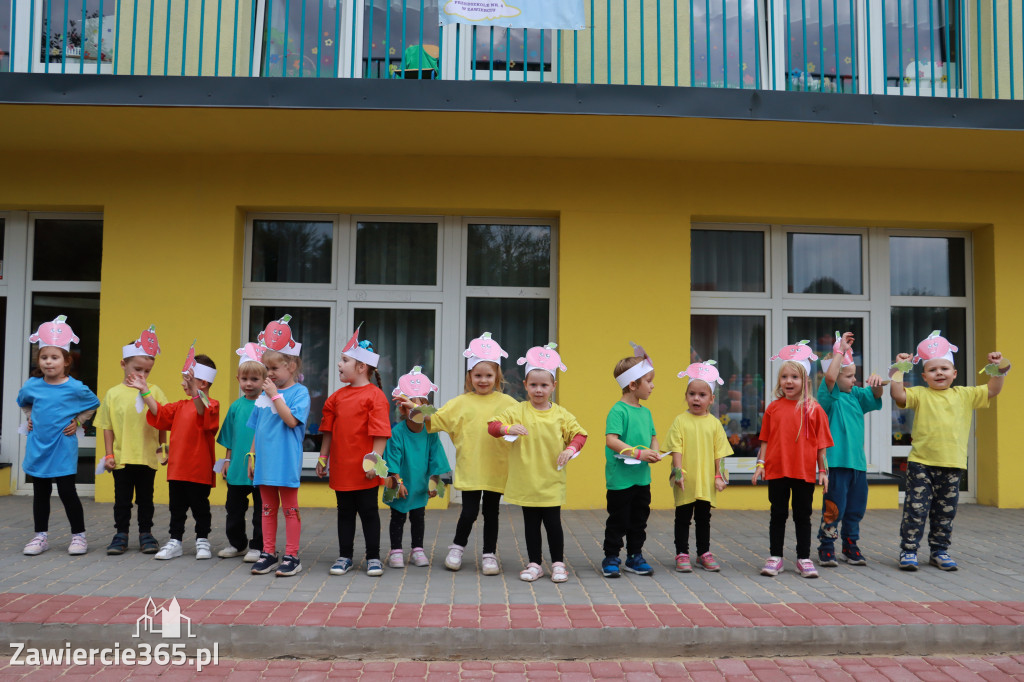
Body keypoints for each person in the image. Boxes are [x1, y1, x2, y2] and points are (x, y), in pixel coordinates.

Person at [890, 330, 1008, 571]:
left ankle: (939, 551)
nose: (939, 373)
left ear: (954, 374)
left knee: (945, 513)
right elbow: (898, 394)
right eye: (933, 370)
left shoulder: (965, 394)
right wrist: (899, 369)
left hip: (952, 465)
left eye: (944, 369)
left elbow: (993, 390)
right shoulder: (920, 394)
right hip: (921, 464)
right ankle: (908, 551)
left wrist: (998, 366)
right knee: (916, 510)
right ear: (924, 376)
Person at [489, 343, 587, 583]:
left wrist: (571, 449)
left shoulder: (561, 414)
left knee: (553, 524)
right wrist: (507, 428)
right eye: (533, 385)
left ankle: (558, 564)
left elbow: (580, 435)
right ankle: (534, 564)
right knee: (530, 525)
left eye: (544, 385)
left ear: (553, 386)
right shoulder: (518, 410)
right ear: (525, 386)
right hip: (526, 482)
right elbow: (492, 427)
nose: (539, 390)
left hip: (551, 480)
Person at [423, 332, 517, 575]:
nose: (483, 380)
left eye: (488, 375)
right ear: (469, 377)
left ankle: (489, 554)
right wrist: (413, 410)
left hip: (497, 468)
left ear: (497, 375)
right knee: (469, 511)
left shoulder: (509, 403)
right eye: (478, 375)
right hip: (471, 466)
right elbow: (433, 420)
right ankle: (457, 547)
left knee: (492, 512)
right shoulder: (460, 403)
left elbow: (530, 425)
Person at [18, 316, 100, 556]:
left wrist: (78, 421)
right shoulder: (32, 385)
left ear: (66, 361)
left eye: (54, 358)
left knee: (67, 492)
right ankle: (40, 536)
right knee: (40, 493)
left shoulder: (75, 387)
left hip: (62, 447)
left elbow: (93, 403)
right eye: (44, 357)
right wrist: (30, 416)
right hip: (38, 446)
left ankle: (79, 536)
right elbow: (23, 402)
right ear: (39, 360)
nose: (48, 362)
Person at [318, 326, 393, 578]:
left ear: (361, 367)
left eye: (345, 360)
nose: (339, 364)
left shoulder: (375, 397)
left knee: (369, 511)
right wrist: (322, 457)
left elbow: (380, 433)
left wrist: (374, 462)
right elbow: (327, 430)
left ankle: (373, 557)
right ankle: (345, 556)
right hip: (341, 467)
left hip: (365, 470)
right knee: (345, 512)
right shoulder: (336, 398)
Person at [752, 342, 832, 578]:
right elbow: (765, 440)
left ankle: (803, 558)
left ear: (805, 381)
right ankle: (775, 557)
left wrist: (823, 471)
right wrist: (760, 465)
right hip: (777, 471)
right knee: (777, 514)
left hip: (804, 473)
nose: (788, 381)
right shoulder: (773, 408)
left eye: (794, 377)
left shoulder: (814, 409)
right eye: (784, 376)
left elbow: (821, 446)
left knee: (802, 515)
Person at [138, 349, 220, 561]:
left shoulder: (211, 405)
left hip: (199, 469)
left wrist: (194, 390)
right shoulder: (178, 406)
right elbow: (160, 413)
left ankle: (203, 540)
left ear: (203, 383)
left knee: (200, 508)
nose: (183, 383)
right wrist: (145, 391)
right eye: (184, 379)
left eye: (188, 379)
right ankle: (175, 541)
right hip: (177, 469)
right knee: (177, 508)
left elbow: (204, 413)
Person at [94, 325, 168, 556]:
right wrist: (108, 454)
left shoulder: (154, 391)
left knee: (146, 499)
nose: (142, 376)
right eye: (137, 369)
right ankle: (121, 534)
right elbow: (107, 427)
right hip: (122, 457)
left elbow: (163, 419)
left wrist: (163, 449)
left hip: (146, 456)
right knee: (122, 500)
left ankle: (146, 533)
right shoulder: (113, 394)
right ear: (123, 364)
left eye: (147, 371)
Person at [247, 316, 311, 577]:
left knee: (290, 509)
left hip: (285, 462)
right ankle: (268, 552)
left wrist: (275, 394)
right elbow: (257, 428)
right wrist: (251, 455)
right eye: (266, 368)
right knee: (266, 508)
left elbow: (291, 420)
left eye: (274, 368)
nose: (269, 374)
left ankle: (292, 555)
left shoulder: (300, 393)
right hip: (265, 461)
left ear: (292, 365)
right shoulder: (263, 394)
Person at [815, 332, 884, 568]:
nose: (855, 380)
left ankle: (850, 545)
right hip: (835, 464)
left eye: (856, 375)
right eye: (850, 376)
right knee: (834, 509)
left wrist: (877, 385)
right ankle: (826, 546)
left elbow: (875, 397)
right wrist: (839, 353)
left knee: (855, 509)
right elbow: (831, 379)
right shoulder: (827, 397)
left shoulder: (855, 395)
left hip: (858, 465)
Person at [664, 360, 733, 573]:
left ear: (711, 399)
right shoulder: (680, 421)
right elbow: (676, 447)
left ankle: (703, 552)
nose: (696, 398)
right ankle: (681, 553)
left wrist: (719, 476)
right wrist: (677, 472)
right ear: (686, 396)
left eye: (702, 395)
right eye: (692, 393)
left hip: (705, 481)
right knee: (683, 517)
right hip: (685, 479)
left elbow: (720, 452)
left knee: (704, 518)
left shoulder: (714, 424)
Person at [601, 343, 661, 579]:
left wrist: (654, 452)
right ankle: (611, 556)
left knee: (639, 520)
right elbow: (611, 440)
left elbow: (653, 437)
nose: (653, 385)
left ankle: (635, 556)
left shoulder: (645, 412)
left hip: (641, 477)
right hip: (620, 479)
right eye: (649, 380)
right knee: (618, 520)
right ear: (633, 385)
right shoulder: (618, 410)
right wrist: (638, 453)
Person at [385, 367, 451, 568]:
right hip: (401, 481)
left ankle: (417, 549)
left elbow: (436, 460)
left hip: (420, 483)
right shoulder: (397, 433)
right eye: (410, 407)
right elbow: (392, 460)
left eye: (420, 407)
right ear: (403, 410)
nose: (415, 412)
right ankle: (396, 550)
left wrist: (434, 483)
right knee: (397, 516)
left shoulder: (430, 433)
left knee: (418, 516)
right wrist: (398, 482)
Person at [215, 343, 268, 562]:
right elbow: (230, 437)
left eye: (254, 379)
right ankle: (237, 544)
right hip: (237, 468)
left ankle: (259, 546)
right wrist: (227, 460)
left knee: (261, 511)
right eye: (245, 379)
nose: (249, 384)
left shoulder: (267, 404)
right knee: (234, 510)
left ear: (265, 380)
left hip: (262, 468)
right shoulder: (235, 407)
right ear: (238, 379)